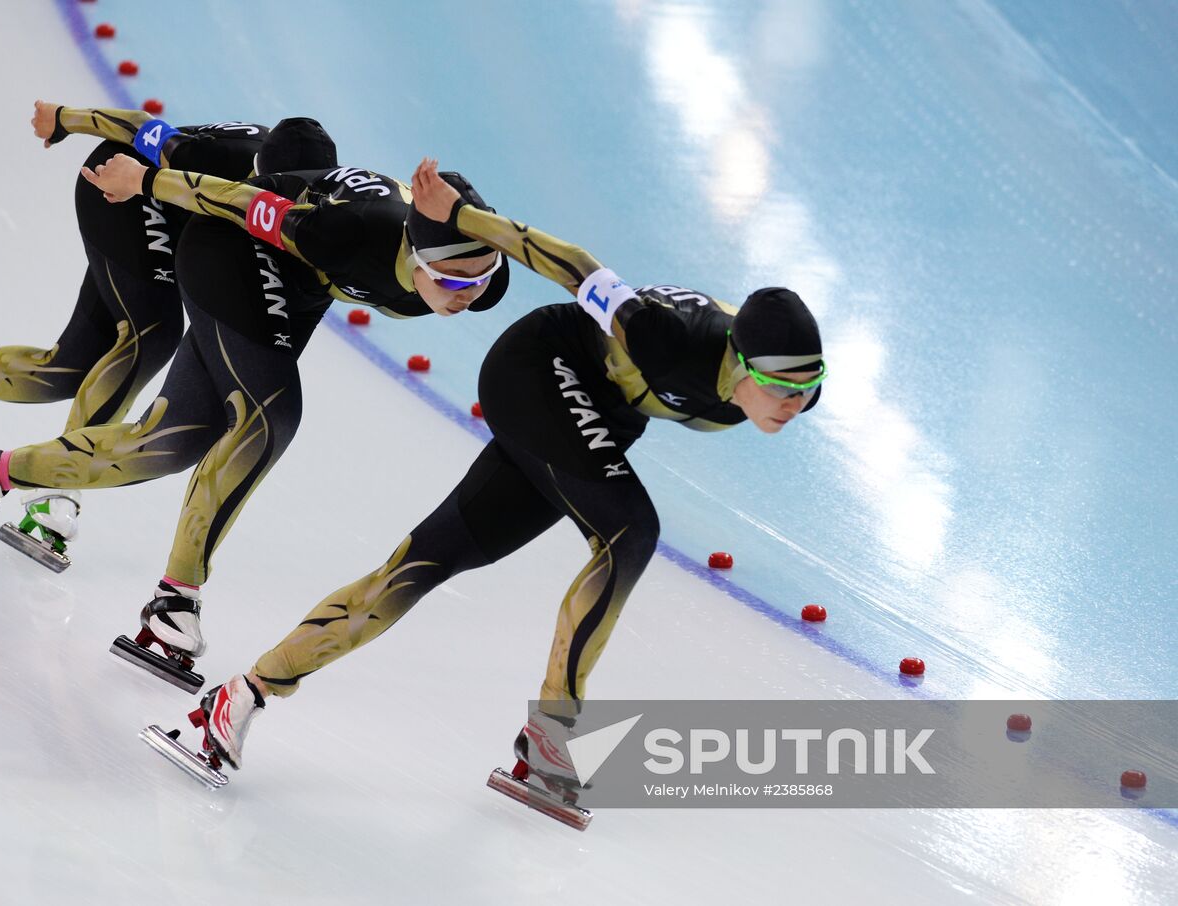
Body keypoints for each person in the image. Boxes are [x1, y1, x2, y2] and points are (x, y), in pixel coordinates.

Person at [162, 158, 826, 812]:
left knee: (420, 565)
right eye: (778, 387)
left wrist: (789, 381)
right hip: (539, 370)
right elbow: (570, 261)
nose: (792, 404)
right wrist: (461, 218)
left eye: (806, 390)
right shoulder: (669, 337)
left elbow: (779, 355)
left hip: (591, 418)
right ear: (738, 361)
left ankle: (240, 696)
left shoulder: (767, 364)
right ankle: (551, 737)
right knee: (631, 531)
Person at [0, 150, 513, 690]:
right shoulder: (354, 232)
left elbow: (540, 258)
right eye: (455, 279)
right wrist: (145, 180)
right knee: (272, 416)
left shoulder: (473, 266)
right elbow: (238, 199)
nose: (466, 294)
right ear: (414, 249)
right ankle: (176, 599)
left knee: (166, 444)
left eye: (480, 279)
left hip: (291, 289)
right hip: (228, 247)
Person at [0, 101, 336, 569]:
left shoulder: (317, 212)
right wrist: (63, 118)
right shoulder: (218, 161)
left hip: (177, 225)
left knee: (69, 367)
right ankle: (53, 490)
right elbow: (139, 126)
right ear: (256, 177)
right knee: (151, 333)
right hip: (119, 189)